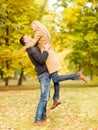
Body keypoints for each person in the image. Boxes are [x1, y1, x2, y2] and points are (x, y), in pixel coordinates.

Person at [23, 20, 87, 109]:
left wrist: (25, 47)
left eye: (32, 27)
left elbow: (33, 43)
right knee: (55, 79)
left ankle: (77, 75)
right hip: (49, 54)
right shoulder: (44, 30)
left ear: (35, 25)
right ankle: (56, 99)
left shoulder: (39, 31)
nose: (32, 29)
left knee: (56, 78)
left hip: (48, 57)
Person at [20, 36, 51, 125]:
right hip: (43, 74)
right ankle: (37, 120)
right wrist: (46, 50)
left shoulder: (32, 47)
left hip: (43, 73)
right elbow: (41, 60)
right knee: (44, 97)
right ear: (25, 40)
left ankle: (43, 117)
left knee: (46, 96)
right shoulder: (32, 49)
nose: (30, 36)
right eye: (27, 37)